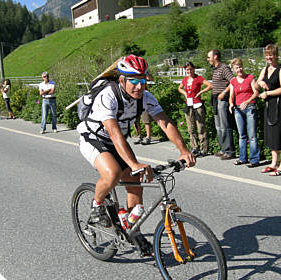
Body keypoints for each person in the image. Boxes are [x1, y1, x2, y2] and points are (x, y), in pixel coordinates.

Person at [77, 55, 196, 255]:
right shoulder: (108, 95)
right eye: (134, 81)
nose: (139, 86)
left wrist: (184, 151)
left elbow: (164, 123)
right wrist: (133, 163)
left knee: (136, 186)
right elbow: (113, 133)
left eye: (143, 80)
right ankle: (96, 205)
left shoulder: (146, 98)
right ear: (122, 80)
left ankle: (134, 230)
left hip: (118, 141)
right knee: (113, 173)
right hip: (93, 137)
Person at [256, 44, 281, 176]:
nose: (269, 57)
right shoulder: (265, 69)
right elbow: (257, 81)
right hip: (269, 105)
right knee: (270, 134)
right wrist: (260, 83)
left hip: (278, 105)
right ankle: (273, 163)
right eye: (267, 55)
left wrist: (268, 94)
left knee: (279, 134)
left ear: (276, 55)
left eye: (271, 55)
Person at [228, 58, 260, 167]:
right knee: (241, 135)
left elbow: (256, 92)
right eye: (237, 68)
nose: (239, 69)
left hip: (250, 107)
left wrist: (247, 101)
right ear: (233, 69)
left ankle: (254, 159)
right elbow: (232, 95)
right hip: (238, 109)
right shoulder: (233, 81)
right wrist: (231, 103)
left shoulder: (250, 78)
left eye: (240, 67)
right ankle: (242, 158)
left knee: (252, 135)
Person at [178, 61, 212, 157]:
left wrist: (200, 93)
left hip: (197, 104)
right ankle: (194, 147)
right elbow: (179, 88)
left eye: (190, 69)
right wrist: (184, 93)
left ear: (193, 69)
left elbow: (210, 85)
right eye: (187, 69)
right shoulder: (185, 80)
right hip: (188, 105)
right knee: (191, 128)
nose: (189, 71)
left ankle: (204, 148)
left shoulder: (198, 78)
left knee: (201, 127)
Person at [207, 49, 235, 160]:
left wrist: (224, 92)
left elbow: (233, 81)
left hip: (222, 99)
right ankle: (223, 148)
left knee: (224, 125)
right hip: (215, 99)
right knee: (218, 126)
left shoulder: (224, 68)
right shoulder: (215, 69)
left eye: (209, 57)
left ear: (216, 56)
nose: (208, 59)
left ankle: (229, 151)